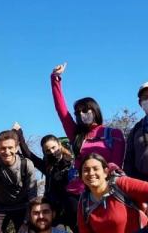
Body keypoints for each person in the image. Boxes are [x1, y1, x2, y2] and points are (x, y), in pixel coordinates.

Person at [50, 63, 125, 197]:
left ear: (95, 110)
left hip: (107, 191)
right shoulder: (77, 135)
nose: (82, 114)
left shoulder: (114, 134)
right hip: (78, 193)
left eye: (85, 110)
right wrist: (55, 79)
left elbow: (115, 164)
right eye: (78, 113)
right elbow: (61, 111)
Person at [77, 153, 148, 233]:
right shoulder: (83, 203)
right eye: (86, 170)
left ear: (105, 172)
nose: (91, 173)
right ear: (81, 176)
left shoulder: (120, 184)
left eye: (95, 168)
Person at [13, 124, 74, 228]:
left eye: (54, 147)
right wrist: (19, 133)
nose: (52, 152)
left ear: (59, 145)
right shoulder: (48, 168)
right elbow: (29, 155)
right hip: (55, 211)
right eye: (48, 150)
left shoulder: (72, 164)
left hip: (72, 208)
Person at [124, 82, 148, 181]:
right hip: (142, 185)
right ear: (140, 103)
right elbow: (128, 160)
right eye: (145, 97)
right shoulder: (136, 129)